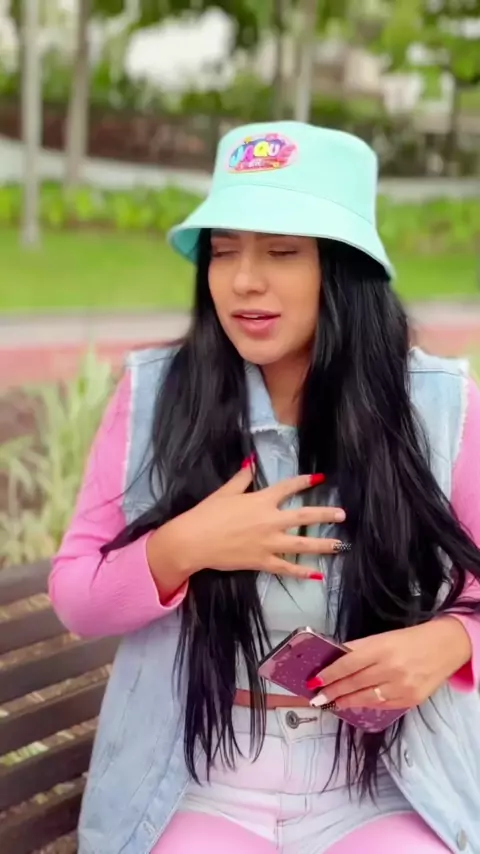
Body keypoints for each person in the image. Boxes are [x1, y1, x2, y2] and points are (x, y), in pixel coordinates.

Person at [50, 121, 480, 854]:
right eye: (224, 251)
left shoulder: (441, 406)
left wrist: (451, 641)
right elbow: (76, 596)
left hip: (382, 785)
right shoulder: (156, 397)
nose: (244, 280)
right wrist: (184, 546)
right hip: (197, 777)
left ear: (342, 269)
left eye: (282, 252)